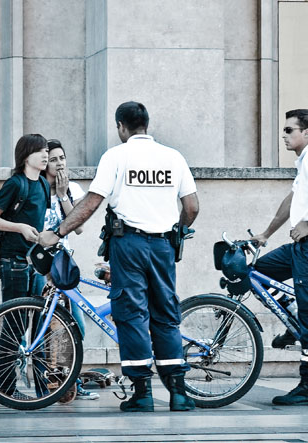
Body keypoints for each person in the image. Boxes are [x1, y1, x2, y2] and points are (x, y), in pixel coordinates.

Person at [39, 101, 200, 413]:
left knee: (131, 315)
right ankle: (179, 394)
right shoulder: (173, 157)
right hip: (163, 246)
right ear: (146, 125)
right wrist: (176, 232)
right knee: (166, 315)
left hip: (129, 246)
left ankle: (143, 393)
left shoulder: (116, 156)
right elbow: (191, 207)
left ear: (120, 127)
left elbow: (91, 202)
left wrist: (58, 232)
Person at [250, 108, 308, 406]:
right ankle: (293, 318)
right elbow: (292, 200)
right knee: (257, 272)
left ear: (306, 133)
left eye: (289, 130)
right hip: (300, 249)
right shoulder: (305, 161)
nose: (284, 135)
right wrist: (265, 234)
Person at [39, 138, 98, 401]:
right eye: (53, 159)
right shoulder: (37, 188)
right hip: (40, 266)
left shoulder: (72, 188)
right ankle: (49, 384)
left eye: (62, 157)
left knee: (77, 327)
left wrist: (63, 196)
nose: (60, 163)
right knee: (44, 327)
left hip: (64, 266)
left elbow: (79, 227)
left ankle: (70, 381)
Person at [0, 133, 51, 302]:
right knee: (15, 320)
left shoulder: (43, 184)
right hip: (13, 261)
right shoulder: (15, 184)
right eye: (40, 151)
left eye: (46, 150)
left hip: (35, 260)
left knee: (37, 318)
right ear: (26, 156)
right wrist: (20, 227)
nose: (45, 155)